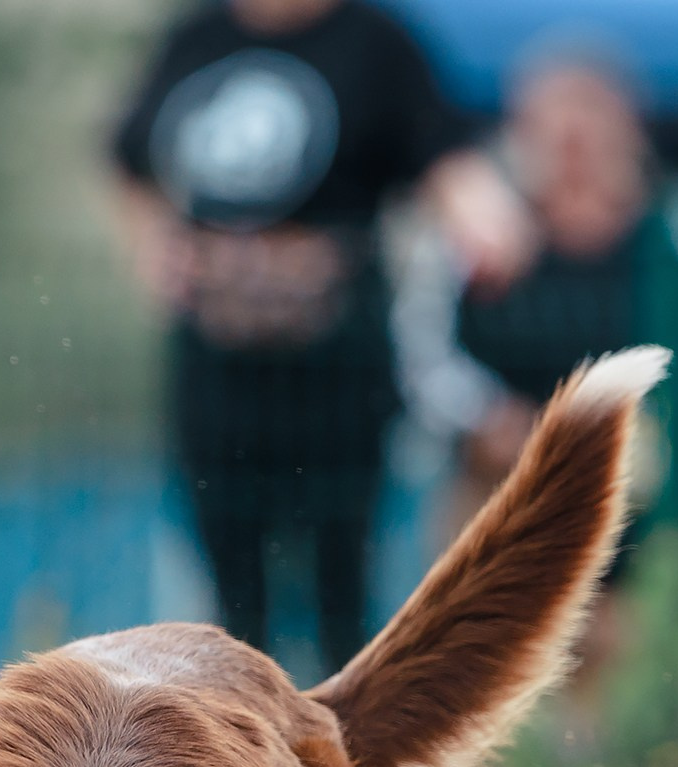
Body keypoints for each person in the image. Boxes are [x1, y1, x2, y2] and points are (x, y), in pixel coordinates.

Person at [111, 0, 530, 675]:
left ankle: (345, 739)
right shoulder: (196, 37)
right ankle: (245, 737)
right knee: (233, 603)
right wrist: (155, 249)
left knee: (343, 591)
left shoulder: (377, 42)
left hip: (339, 370)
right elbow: (130, 159)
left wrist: (485, 218)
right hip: (217, 373)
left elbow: (445, 161)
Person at [395, 47, 678, 701]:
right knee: (496, 674)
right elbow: (422, 348)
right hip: (506, 494)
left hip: (658, 500)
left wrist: (673, 419)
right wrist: (488, 417)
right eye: (551, 124)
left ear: (628, 128)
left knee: (664, 671)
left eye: (589, 120)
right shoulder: (472, 236)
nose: (572, 145)